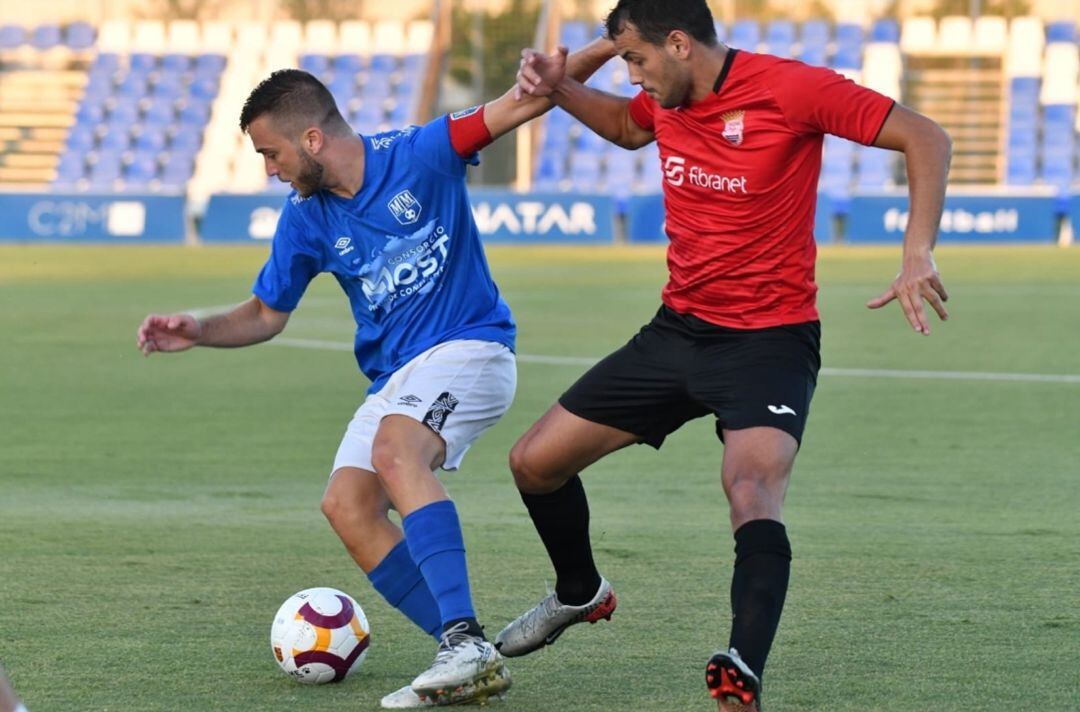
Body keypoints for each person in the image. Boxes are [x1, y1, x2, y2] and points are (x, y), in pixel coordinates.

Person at [495, 2, 951, 710]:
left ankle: (742, 665)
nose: (636, 78)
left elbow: (924, 135)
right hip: (676, 332)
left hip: (769, 343)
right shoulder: (666, 97)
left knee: (750, 490)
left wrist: (915, 249)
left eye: (639, 61)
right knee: (533, 463)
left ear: (679, 44)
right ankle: (580, 592)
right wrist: (559, 83)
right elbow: (622, 126)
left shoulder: (792, 88)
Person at [136, 40, 612, 709]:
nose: (270, 171)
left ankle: (460, 642)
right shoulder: (305, 219)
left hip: (471, 348)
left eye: (271, 154)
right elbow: (268, 314)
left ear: (310, 137)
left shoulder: (421, 153)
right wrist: (199, 327)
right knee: (348, 506)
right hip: (396, 378)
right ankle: (467, 653)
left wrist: (602, 46)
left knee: (394, 450)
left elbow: (528, 99)